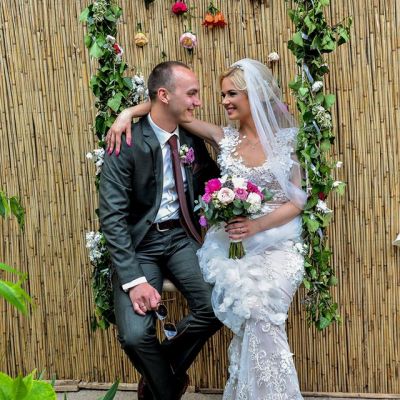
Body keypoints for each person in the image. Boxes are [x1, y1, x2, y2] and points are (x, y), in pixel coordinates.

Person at [107, 58, 307, 399]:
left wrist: (255, 224)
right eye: (220, 95)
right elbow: (170, 110)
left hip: (270, 238)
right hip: (185, 243)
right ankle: (168, 383)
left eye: (231, 94)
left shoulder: (287, 140)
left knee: (250, 309)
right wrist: (128, 113)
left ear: (254, 95)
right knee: (139, 335)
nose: (221, 101)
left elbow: (298, 200)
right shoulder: (222, 137)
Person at [99, 61, 221, 400]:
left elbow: (213, 182)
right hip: (139, 245)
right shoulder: (125, 142)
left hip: (182, 238)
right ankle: (167, 387)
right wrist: (134, 280)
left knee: (216, 308)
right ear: (165, 95)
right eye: (192, 93)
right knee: (135, 336)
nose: (198, 101)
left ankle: (159, 373)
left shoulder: (191, 138)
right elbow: (112, 217)